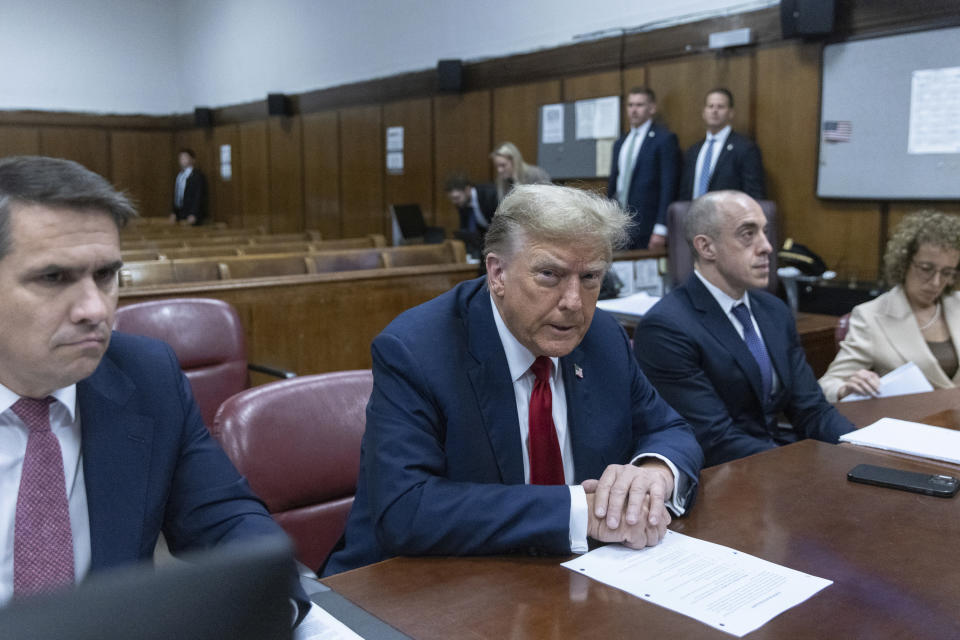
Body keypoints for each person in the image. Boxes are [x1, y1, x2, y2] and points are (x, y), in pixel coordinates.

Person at [323, 184, 703, 576]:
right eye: (549, 275)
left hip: (573, 580)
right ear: (497, 273)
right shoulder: (417, 351)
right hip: (411, 588)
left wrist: (654, 473)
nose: (573, 300)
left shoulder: (603, 336)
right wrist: (578, 513)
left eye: (590, 277)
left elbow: (670, 429)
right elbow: (406, 510)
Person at [0, 156, 313, 627]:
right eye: (53, 277)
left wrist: (273, 608)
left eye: (105, 276)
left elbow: (225, 519)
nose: (94, 309)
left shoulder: (147, 377)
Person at [634, 190, 853, 467]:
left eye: (764, 232)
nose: (767, 247)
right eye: (748, 234)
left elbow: (812, 410)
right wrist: (798, 467)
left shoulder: (774, 311)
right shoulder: (666, 328)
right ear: (706, 247)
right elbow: (714, 438)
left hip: (772, 460)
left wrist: (859, 446)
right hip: (719, 477)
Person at [819, 210, 960, 401]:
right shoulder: (871, 317)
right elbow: (828, 384)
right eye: (926, 269)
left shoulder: (956, 304)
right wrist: (846, 389)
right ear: (904, 263)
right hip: (912, 423)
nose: (936, 282)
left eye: (946, 272)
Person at [606, 87, 680, 250]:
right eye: (630, 105)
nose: (634, 110)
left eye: (639, 105)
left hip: (648, 225)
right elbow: (615, 183)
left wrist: (661, 228)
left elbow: (669, 186)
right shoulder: (621, 142)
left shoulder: (664, 139)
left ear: (652, 108)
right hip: (619, 224)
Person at [678, 88, 766, 201]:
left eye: (720, 107)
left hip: (728, 216)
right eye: (710, 106)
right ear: (704, 112)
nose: (714, 110)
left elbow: (754, 194)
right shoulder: (693, 151)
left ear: (731, 113)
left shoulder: (745, 149)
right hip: (693, 215)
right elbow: (685, 191)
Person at [444, 172, 498, 239]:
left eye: (456, 198)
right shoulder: (463, 204)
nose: (454, 202)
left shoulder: (490, 195)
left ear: (467, 190)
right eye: (451, 199)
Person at [169, 148, 208, 225]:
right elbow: (177, 195)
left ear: (192, 160)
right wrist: (174, 212)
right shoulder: (180, 176)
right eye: (181, 158)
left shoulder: (197, 176)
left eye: (185, 157)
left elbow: (198, 196)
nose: (182, 160)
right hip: (180, 212)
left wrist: (194, 213)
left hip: (192, 214)